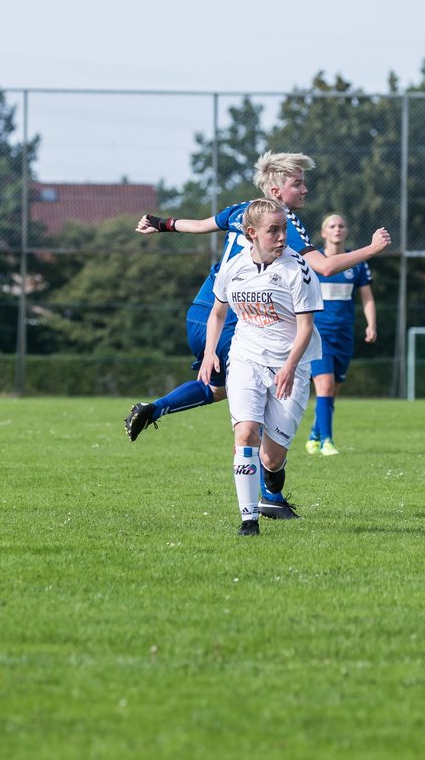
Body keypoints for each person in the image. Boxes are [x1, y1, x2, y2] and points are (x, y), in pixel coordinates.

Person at [124, 151, 391, 459]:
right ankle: (269, 494)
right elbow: (326, 266)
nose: (305, 190)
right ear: (276, 191)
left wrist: (160, 223)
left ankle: (154, 409)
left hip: (202, 312)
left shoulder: (243, 210)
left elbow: (198, 225)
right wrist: (371, 249)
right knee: (262, 402)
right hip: (236, 317)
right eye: (298, 184)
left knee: (218, 390)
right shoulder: (281, 221)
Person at [198, 198, 323, 535]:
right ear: (251, 233)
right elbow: (218, 312)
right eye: (274, 230)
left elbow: (306, 327)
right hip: (246, 359)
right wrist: (211, 352)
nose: (282, 237)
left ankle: (272, 480)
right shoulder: (234, 267)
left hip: (291, 367)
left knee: (271, 458)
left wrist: (289, 366)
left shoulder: (297, 270)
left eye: (284, 229)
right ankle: (248, 520)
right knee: (245, 433)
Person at [304, 213, 376, 456]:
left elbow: (367, 297)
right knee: (323, 388)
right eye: (332, 226)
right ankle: (327, 442)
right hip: (318, 334)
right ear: (323, 233)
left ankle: (314, 435)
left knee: (332, 391)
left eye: (341, 225)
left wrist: (371, 324)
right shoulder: (313, 261)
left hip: (344, 335)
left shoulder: (356, 262)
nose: (337, 229)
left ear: (346, 231)